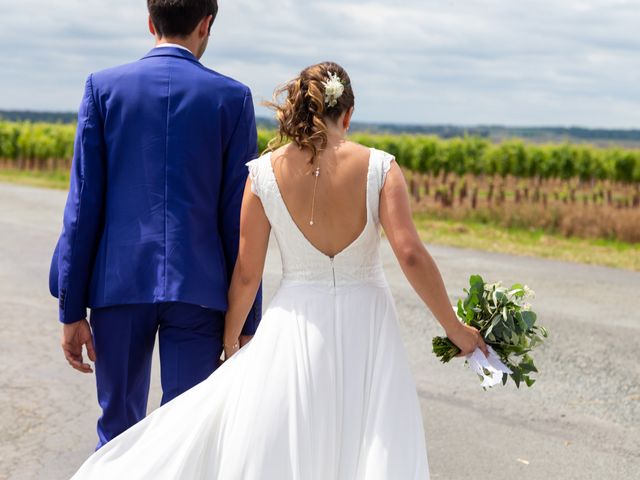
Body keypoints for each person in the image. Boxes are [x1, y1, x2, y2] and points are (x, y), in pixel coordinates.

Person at [68, 61, 488, 479]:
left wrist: (230, 342)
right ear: (348, 113)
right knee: (371, 438)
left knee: (295, 444)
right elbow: (410, 254)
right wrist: (455, 328)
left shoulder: (263, 174)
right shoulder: (380, 167)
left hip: (295, 325)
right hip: (370, 323)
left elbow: (247, 274)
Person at [48, 0, 261, 451]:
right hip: (200, 291)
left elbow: (83, 207)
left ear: (150, 23)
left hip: (117, 287)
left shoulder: (102, 88)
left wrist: (71, 308)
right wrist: (246, 321)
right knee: (186, 435)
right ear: (206, 25)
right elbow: (240, 217)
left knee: (118, 434)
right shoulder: (233, 97)